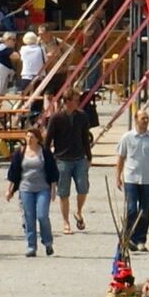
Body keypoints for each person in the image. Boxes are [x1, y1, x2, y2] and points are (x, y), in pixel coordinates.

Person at [9, 113, 58, 257]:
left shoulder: (45, 152)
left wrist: (53, 189)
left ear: (38, 139)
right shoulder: (21, 152)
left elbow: (53, 171)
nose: (29, 139)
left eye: (32, 137)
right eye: (27, 137)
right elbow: (13, 172)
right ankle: (31, 246)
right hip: (26, 188)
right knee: (29, 218)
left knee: (42, 216)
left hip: (43, 188)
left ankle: (48, 242)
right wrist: (9, 190)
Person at [48, 92, 96, 233]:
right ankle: (65, 222)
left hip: (80, 158)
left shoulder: (82, 116)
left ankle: (79, 211)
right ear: (67, 101)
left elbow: (85, 137)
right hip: (62, 159)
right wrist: (48, 159)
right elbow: (48, 139)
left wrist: (89, 156)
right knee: (63, 192)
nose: (78, 103)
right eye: (75, 100)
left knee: (83, 187)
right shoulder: (56, 118)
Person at [119, 111, 149, 248]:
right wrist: (117, 176)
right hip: (131, 178)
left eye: (147, 118)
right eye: (143, 118)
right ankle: (127, 237)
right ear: (136, 119)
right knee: (131, 210)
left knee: (144, 211)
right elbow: (120, 158)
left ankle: (140, 240)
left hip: (148, 179)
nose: (145, 120)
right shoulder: (127, 138)